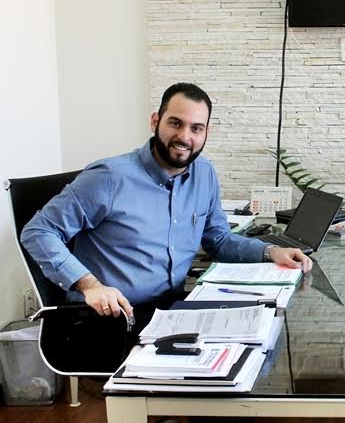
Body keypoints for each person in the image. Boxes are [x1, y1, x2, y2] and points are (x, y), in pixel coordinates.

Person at [21, 82, 311, 325]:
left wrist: (271, 252)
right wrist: (91, 286)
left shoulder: (204, 174)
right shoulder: (108, 177)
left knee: (264, 331)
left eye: (196, 128)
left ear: (206, 133)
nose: (184, 136)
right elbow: (38, 231)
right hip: (110, 318)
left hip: (171, 308)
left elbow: (219, 241)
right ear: (155, 121)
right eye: (175, 123)